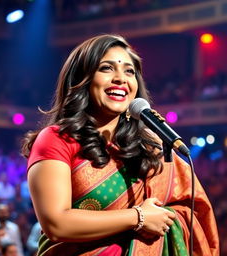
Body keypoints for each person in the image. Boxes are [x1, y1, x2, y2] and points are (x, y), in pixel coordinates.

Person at [22, 34, 219, 255]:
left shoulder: (151, 146)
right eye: (106, 68)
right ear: (81, 79)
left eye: (129, 71)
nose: (121, 78)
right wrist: (139, 217)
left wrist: (170, 219)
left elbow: (186, 209)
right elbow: (56, 223)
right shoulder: (57, 139)